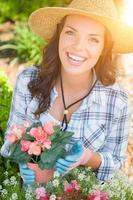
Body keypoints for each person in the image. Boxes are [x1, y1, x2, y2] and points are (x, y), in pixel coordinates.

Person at [1, 0, 133, 185]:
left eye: (93, 39)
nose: (78, 47)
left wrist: (88, 158)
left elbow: (116, 166)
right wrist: (22, 158)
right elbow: (9, 141)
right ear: (59, 35)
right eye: (71, 32)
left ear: (104, 47)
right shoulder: (28, 81)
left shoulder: (117, 101)